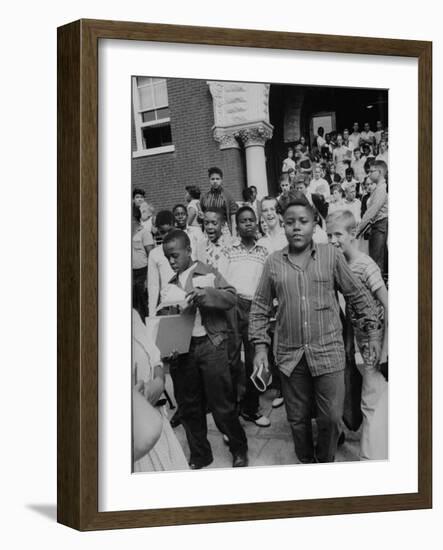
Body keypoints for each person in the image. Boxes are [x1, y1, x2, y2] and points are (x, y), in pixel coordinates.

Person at [249, 198, 381, 464]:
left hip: (328, 352)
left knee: (331, 418)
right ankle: (307, 463)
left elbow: (357, 295)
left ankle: (325, 461)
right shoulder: (274, 263)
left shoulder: (330, 256)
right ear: (282, 226)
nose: (296, 227)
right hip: (290, 357)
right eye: (289, 222)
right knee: (297, 420)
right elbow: (260, 306)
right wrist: (260, 347)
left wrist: (373, 334)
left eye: (303, 221)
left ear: (314, 224)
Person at [163, 229, 248, 468]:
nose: (171, 261)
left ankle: (238, 448)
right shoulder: (170, 284)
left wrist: (205, 294)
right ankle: (200, 454)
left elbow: (231, 297)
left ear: (189, 250)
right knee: (189, 406)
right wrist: (168, 345)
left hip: (212, 344)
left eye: (175, 255)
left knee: (222, 404)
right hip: (183, 351)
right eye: (167, 257)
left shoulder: (207, 271)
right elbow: (169, 321)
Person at [326, 211, 388, 459]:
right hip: (360, 341)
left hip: (375, 341)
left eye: (338, 234)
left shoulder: (365, 264)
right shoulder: (343, 264)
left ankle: (369, 457)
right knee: (368, 398)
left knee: (371, 401)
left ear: (353, 235)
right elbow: (351, 308)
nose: (332, 240)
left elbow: (388, 303)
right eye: (329, 234)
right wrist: (349, 344)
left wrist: (385, 352)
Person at [225, 206, 270, 427]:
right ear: (237, 225)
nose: (248, 224)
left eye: (251, 220)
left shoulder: (263, 251)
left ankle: (251, 408)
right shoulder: (229, 249)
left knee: (255, 359)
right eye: (243, 221)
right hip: (233, 306)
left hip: (255, 307)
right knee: (232, 360)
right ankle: (233, 411)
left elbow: (267, 282)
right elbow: (222, 279)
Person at [132, 309, 189, 471]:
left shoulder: (133, 315)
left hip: (159, 422)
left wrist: (159, 382)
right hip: (137, 436)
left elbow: (155, 359)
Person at [356, 160, 388, 279]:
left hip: (379, 226)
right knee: (375, 261)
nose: (368, 174)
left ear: (379, 172)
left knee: (376, 264)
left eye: (371, 171)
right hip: (376, 227)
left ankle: (378, 295)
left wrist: (358, 230)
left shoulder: (381, 189)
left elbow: (371, 213)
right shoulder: (378, 188)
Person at [147, 210, 175, 317]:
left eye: (170, 231)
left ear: (174, 225)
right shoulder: (155, 254)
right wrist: (152, 313)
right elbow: (153, 285)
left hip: (187, 302)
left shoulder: (185, 246)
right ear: (158, 231)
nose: (167, 235)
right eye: (163, 232)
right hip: (166, 305)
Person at [200, 167, 238, 237]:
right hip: (209, 229)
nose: (215, 181)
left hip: (224, 229)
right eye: (212, 179)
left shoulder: (227, 196)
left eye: (217, 179)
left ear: (221, 180)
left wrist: (234, 236)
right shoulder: (205, 197)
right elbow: (202, 216)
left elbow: (233, 218)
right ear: (209, 180)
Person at [132, 203, 154, 320]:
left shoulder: (144, 232)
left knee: (143, 304)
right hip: (131, 274)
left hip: (143, 273)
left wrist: (148, 278)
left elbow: (151, 255)